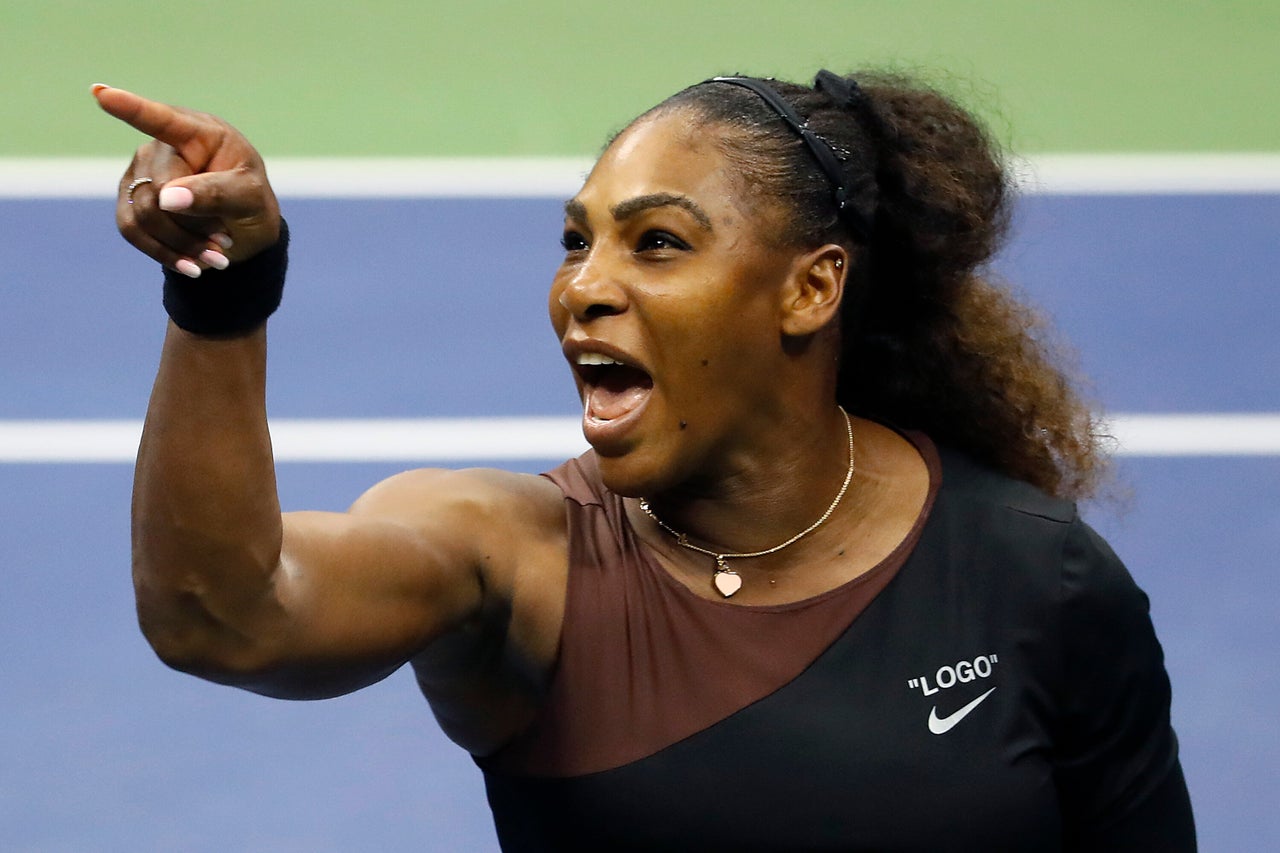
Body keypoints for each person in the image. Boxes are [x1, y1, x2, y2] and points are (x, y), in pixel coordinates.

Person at [93, 68, 1195, 850]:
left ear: (810, 288)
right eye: (578, 240)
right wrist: (222, 296)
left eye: (655, 242)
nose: (582, 287)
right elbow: (219, 616)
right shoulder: (512, 562)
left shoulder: (1034, 578)